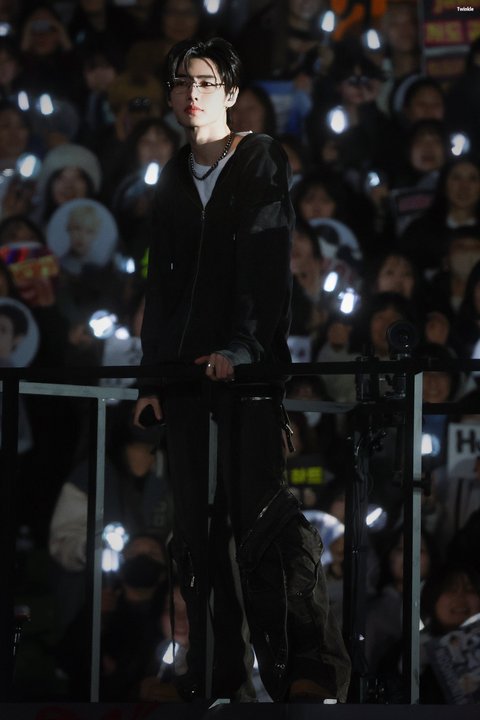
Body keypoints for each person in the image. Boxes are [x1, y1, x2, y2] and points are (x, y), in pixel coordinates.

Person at [133, 36, 351, 703]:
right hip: (184, 376)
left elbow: (266, 264)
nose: (191, 93)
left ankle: (304, 669)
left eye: (205, 82)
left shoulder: (258, 157)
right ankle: (211, 674)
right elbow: (161, 288)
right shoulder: (171, 177)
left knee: (264, 521)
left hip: (247, 376)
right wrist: (151, 377)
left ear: (229, 92)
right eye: (181, 81)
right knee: (196, 534)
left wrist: (246, 349)